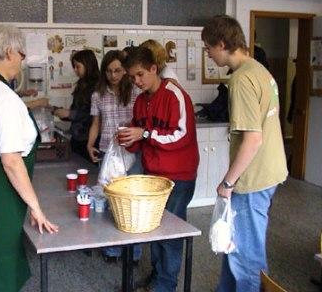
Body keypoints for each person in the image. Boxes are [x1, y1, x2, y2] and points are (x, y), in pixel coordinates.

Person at [0, 24, 58, 292]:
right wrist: (35, 206)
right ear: (8, 52)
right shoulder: (2, 97)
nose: (22, 59)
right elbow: (11, 161)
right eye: (21, 53)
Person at [201, 15, 288, 292]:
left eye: (208, 47)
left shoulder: (241, 79)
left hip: (253, 180)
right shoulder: (261, 71)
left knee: (246, 256)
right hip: (271, 172)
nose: (208, 53)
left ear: (222, 43)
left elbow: (253, 139)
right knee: (234, 244)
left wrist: (228, 183)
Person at [118, 46, 199, 292]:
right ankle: (157, 278)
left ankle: (166, 284)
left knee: (171, 234)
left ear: (154, 68)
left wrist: (145, 133)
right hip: (153, 177)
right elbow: (143, 140)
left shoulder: (175, 94)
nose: (137, 81)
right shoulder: (141, 102)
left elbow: (181, 136)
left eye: (141, 75)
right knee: (154, 229)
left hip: (179, 176)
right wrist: (129, 140)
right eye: (132, 77)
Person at [87, 49, 142, 262]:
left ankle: (134, 252)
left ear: (125, 70)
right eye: (109, 71)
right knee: (109, 199)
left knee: (132, 201)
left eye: (118, 70)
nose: (113, 75)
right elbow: (96, 123)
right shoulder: (98, 94)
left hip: (131, 151)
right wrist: (90, 144)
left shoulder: (136, 92)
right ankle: (112, 250)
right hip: (107, 151)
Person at [54, 49, 100, 161]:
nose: (75, 70)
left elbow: (94, 117)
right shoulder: (81, 84)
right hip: (77, 137)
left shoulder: (98, 86)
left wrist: (70, 114)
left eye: (77, 66)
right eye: (74, 66)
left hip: (90, 139)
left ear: (87, 65)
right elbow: (76, 110)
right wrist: (63, 113)